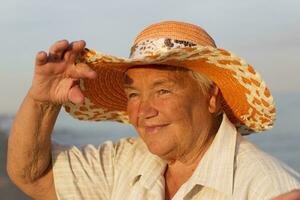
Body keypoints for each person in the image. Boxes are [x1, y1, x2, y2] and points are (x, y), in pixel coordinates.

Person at [7, 21, 300, 200]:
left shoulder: (268, 188)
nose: (142, 111)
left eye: (163, 91)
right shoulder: (127, 161)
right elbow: (31, 175)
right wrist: (42, 102)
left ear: (211, 97)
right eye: (133, 94)